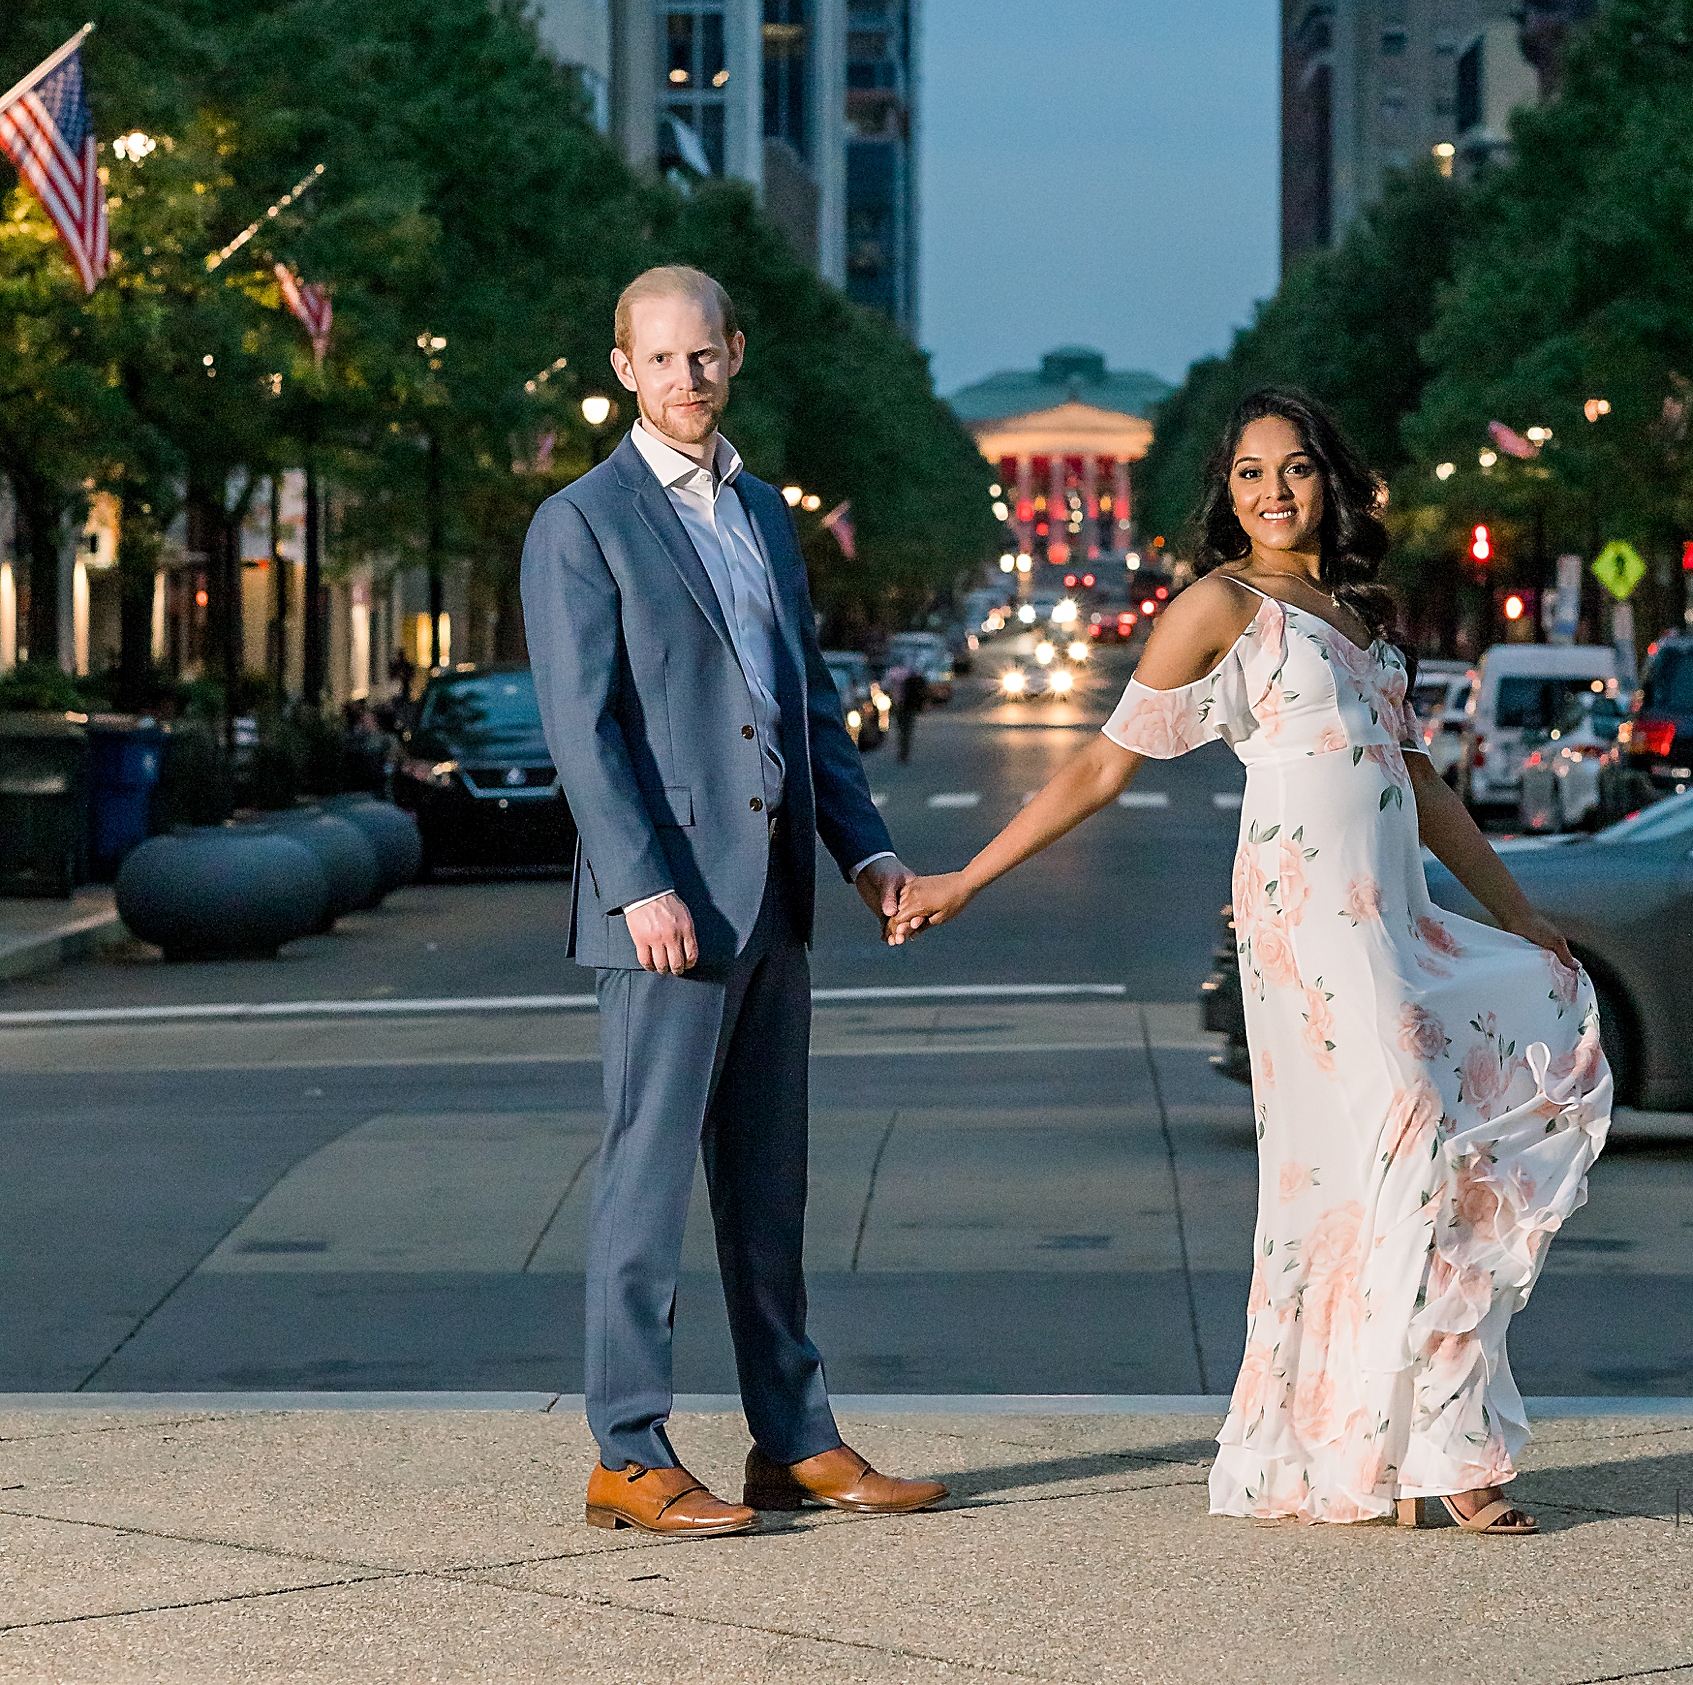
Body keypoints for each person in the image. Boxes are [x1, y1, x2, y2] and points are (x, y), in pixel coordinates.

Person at [889, 386, 1611, 1536]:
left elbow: (1419, 785)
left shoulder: (1363, 611)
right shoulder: (1215, 609)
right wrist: (962, 880)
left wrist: (1516, 912)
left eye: (1294, 468)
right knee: (1405, 1143)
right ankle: (1435, 1450)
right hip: (1305, 920)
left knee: (1405, 1169)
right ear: (1223, 495)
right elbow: (1098, 769)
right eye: (1247, 474)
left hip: (1399, 916)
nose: (1273, 492)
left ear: (1330, 479)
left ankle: (1395, 1443)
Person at [522, 263, 949, 1541]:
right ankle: (627, 1452)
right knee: (645, 1189)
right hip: (667, 912)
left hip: (773, 904)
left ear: (735, 354)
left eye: (703, 356)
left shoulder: (761, 513)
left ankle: (795, 1441)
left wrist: (865, 851)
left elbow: (803, 702)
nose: (685, 379)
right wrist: (640, 881)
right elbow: (580, 729)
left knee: (770, 1190)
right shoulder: (580, 521)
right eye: (660, 359)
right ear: (623, 370)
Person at [886, 655, 927, 765]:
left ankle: (902, 751)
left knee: (900, 729)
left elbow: (887, 687)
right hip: (910, 704)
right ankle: (905, 751)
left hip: (898, 704)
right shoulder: (909, 672)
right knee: (908, 729)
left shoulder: (892, 673)